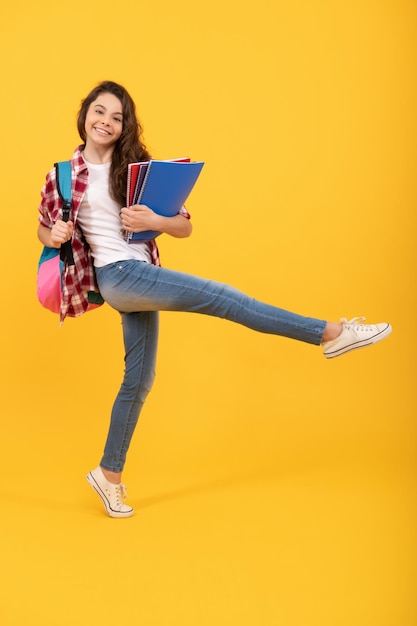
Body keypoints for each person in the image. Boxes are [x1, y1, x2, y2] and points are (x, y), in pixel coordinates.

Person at [37, 80, 392, 518]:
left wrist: (156, 219)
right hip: (118, 276)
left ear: (125, 126)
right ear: (85, 114)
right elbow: (43, 226)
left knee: (139, 380)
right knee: (225, 299)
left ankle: (108, 476)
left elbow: (184, 226)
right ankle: (330, 333)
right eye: (100, 111)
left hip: (144, 274)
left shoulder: (137, 167)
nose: (106, 122)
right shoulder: (63, 174)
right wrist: (52, 233)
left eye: (117, 116)